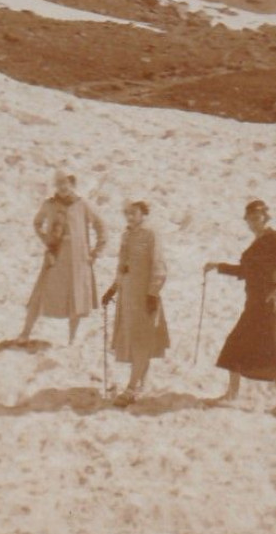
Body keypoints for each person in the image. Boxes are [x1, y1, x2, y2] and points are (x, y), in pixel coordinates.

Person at [203, 199, 276, 418]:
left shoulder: (275, 238)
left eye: (258, 218)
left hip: (270, 303)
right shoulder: (257, 243)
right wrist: (218, 267)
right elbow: (247, 272)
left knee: (272, 347)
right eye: (250, 219)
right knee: (236, 342)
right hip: (255, 303)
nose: (254, 222)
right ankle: (231, 394)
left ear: (265, 218)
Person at [18, 171, 107, 346]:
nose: (62, 187)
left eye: (66, 183)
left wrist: (96, 251)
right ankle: (25, 332)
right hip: (55, 255)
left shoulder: (82, 205)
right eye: (58, 183)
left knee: (76, 297)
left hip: (78, 258)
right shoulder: (49, 205)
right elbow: (37, 223)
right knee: (40, 292)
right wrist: (45, 239)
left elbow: (100, 226)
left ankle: (71, 339)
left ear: (72, 184)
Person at [102, 201, 170, 407]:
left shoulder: (151, 233)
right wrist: (113, 288)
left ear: (143, 213)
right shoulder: (127, 235)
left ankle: (132, 388)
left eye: (134, 213)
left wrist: (152, 293)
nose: (130, 217)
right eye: (126, 213)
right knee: (137, 341)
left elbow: (159, 265)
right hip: (127, 297)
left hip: (144, 296)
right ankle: (140, 383)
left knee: (142, 340)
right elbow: (123, 267)